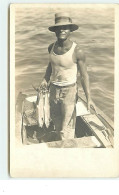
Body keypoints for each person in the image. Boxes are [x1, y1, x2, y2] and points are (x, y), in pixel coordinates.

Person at [39, 12, 93, 140]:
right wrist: (45, 79)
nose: (62, 30)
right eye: (58, 27)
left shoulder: (78, 51)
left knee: (67, 127)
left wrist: (89, 98)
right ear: (55, 31)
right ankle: (61, 142)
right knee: (56, 122)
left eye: (65, 27)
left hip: (69, 91)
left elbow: (84, 76)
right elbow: (50, 66)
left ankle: (68, 149)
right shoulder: (51, 47)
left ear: (70, 30)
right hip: (53, 90)